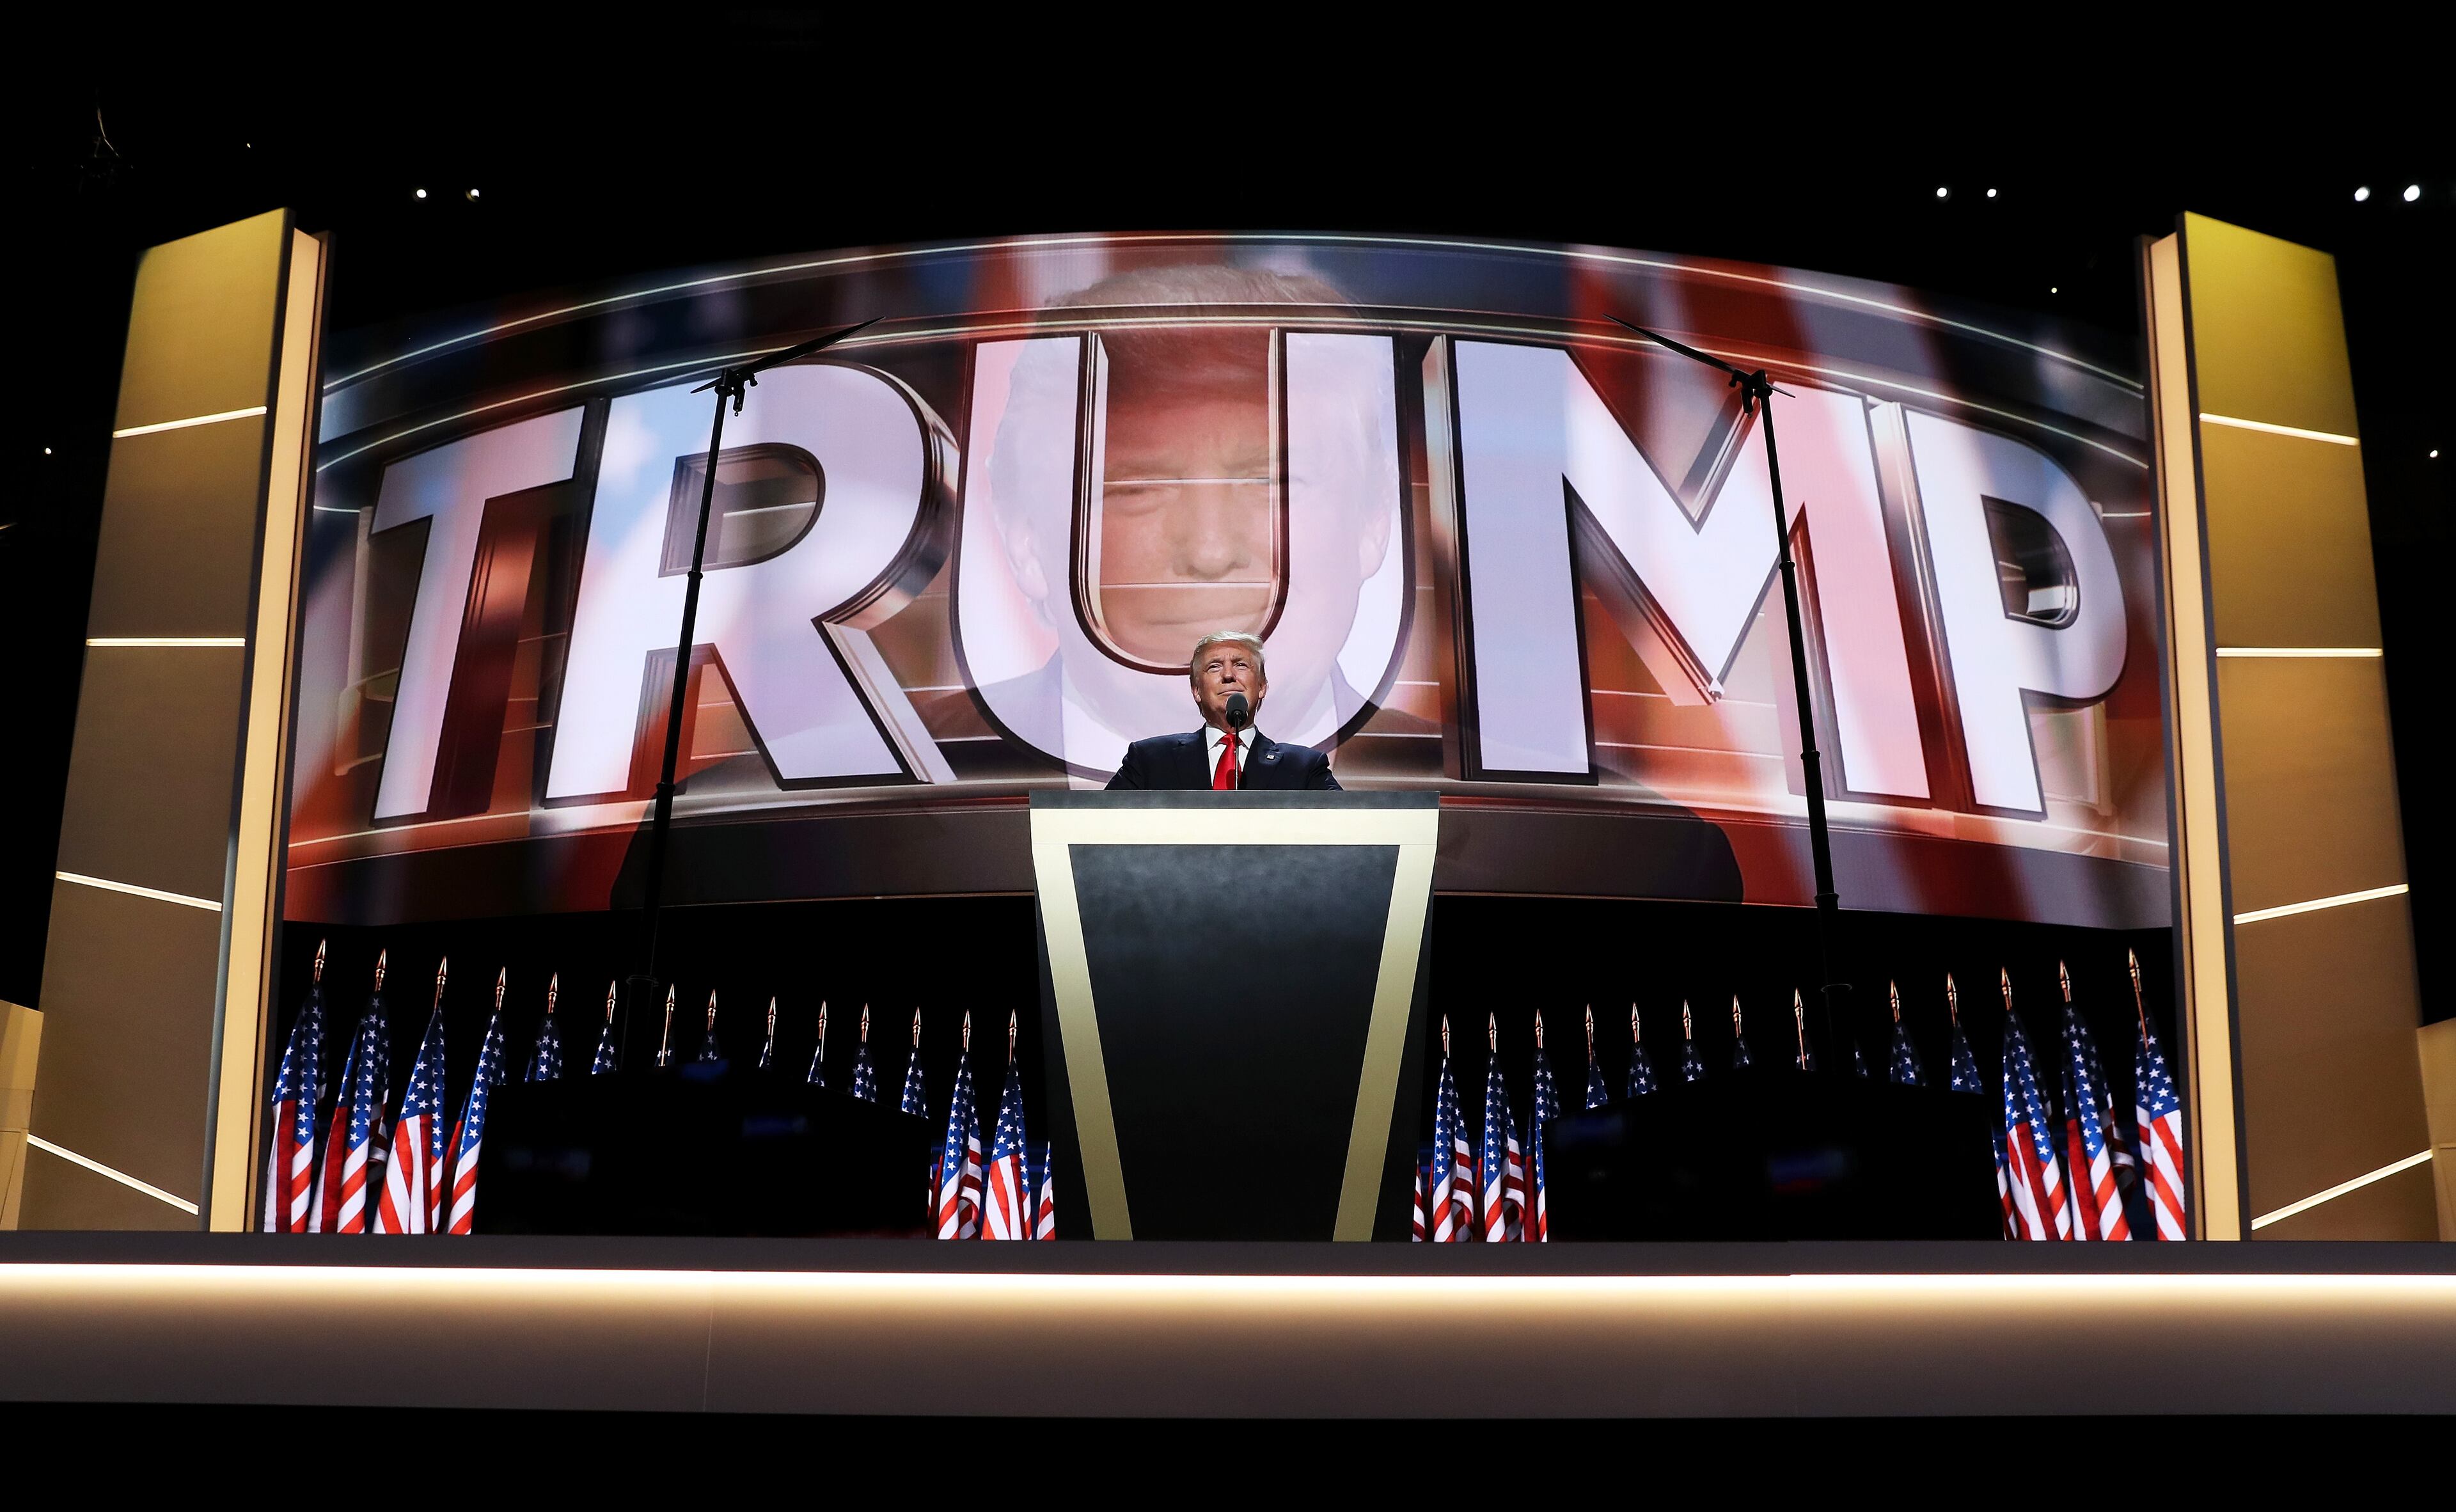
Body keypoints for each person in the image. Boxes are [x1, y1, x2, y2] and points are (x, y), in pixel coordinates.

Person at [1107, 630, 1339, 791]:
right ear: (1197, 690)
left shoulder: (1304, 767)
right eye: (1215, 666)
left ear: (1262, 687)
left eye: (1241, 665)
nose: (1229, 675)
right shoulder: (1150, 760)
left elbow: (1350, 827)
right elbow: (1096, 825)